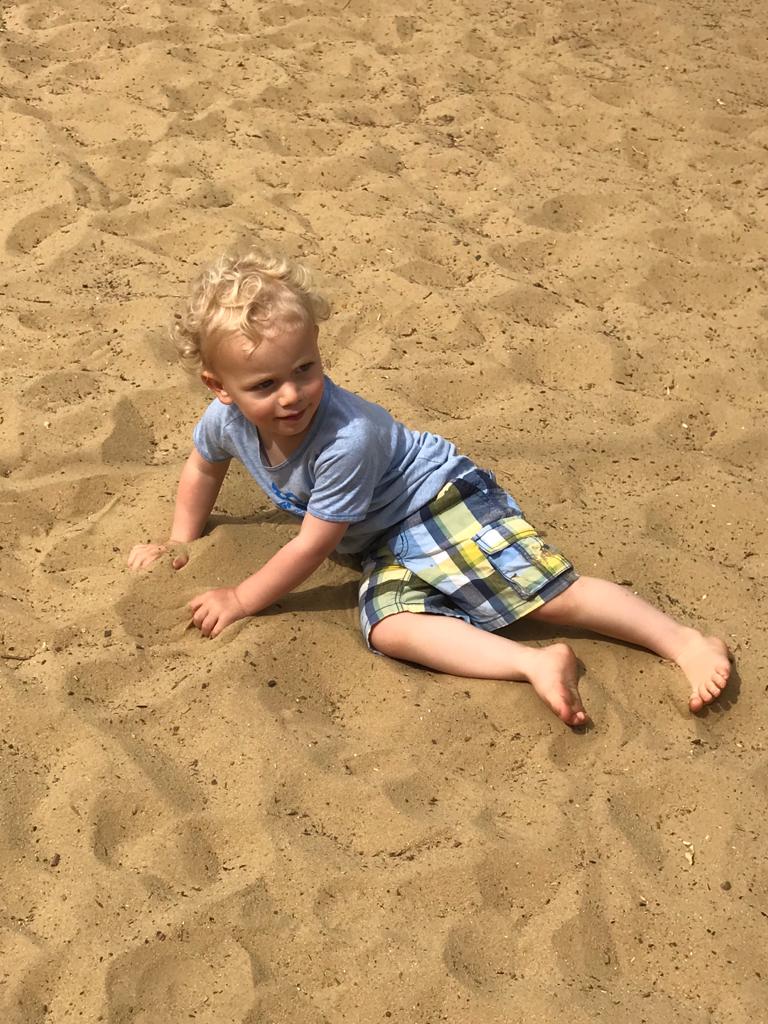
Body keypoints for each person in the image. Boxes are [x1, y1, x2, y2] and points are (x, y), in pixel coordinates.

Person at [128, 248, 731, 726]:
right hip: (379, 544)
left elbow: (311, 546)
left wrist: (240, 599)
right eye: (265, 384)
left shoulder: (346, 439)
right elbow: (203, 467)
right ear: (220, 388)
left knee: (543, 594)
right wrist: (181, 542)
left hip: (437, 501)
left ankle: (684, 641)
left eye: (305, 369)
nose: (292, 395)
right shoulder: (226, 421)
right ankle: (533, 662)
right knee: (389, 628)